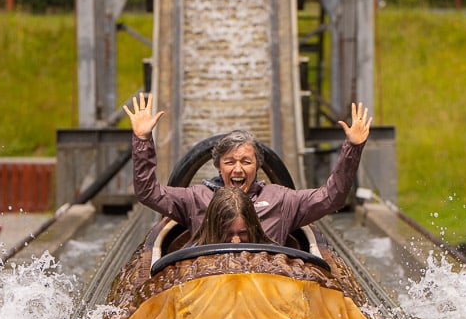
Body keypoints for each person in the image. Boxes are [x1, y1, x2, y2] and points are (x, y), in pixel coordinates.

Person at [123, 93, 372, 245]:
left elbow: (332, 196)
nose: (238, 169)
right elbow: (148, 193)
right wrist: (142, 140)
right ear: (218, 167)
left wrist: (353, 148)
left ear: (258, 166)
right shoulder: (195, 198)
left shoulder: (281, 199)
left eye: (246, 161)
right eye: (230, 162)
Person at [189, 186, 274, 245]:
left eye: (243, 233)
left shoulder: (273, 256)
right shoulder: (189, 260)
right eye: (227, 234)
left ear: (254, 229)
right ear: (213, 230)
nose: (236, 241)